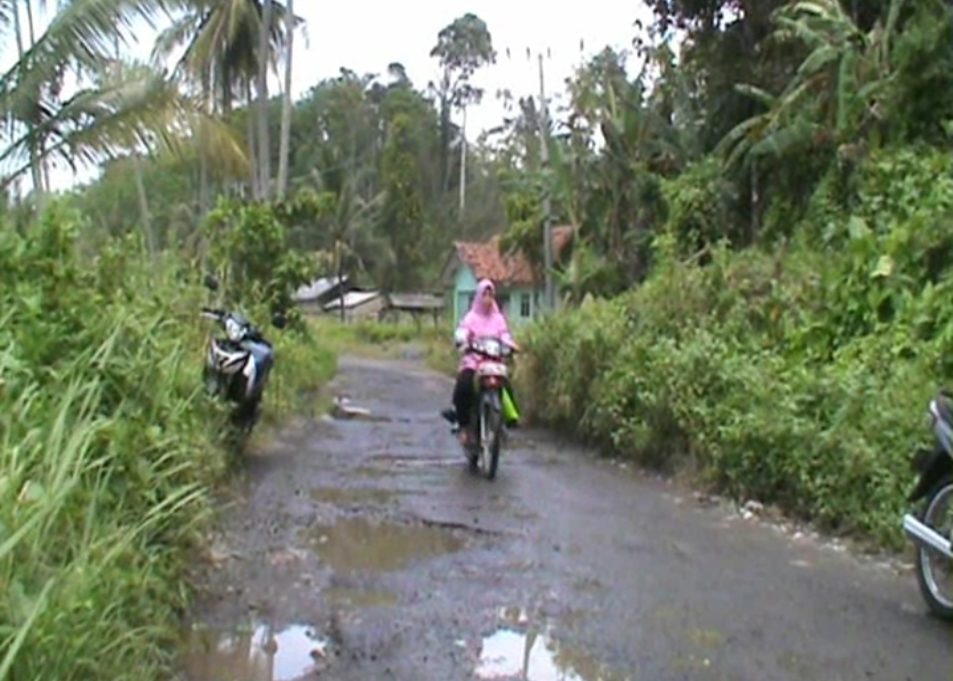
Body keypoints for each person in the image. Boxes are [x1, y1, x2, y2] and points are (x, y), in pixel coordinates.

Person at [442, 279, 520, 446]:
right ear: (478, 296)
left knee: (506, 385)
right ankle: (463, 426)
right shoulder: (471, 317)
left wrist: (511, 344)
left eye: (490, 294)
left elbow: (504, 335)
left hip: (494, 361)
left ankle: (506, 421)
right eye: (484, 294)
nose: (487, 297)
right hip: (474, 361)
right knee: (464, 385)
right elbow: (463, 331)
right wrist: (462, 339)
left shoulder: (498, 319)